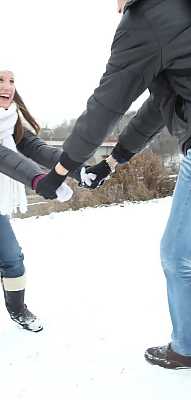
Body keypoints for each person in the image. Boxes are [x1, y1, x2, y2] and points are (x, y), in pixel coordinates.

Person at [35, 0, 191, 398]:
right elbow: (160, 105)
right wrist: (114, 161)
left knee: (178, 253)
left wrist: (61, 169)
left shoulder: (147, 14)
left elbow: (108, 101)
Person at [0, 69, 73, 332]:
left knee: (12, 259)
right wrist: (39, 179)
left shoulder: (10, 122)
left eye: (11, 81)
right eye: (0, 80)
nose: (7, 86)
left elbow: (37, 148)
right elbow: (4, 158)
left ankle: (17, 309)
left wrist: (76, 166)